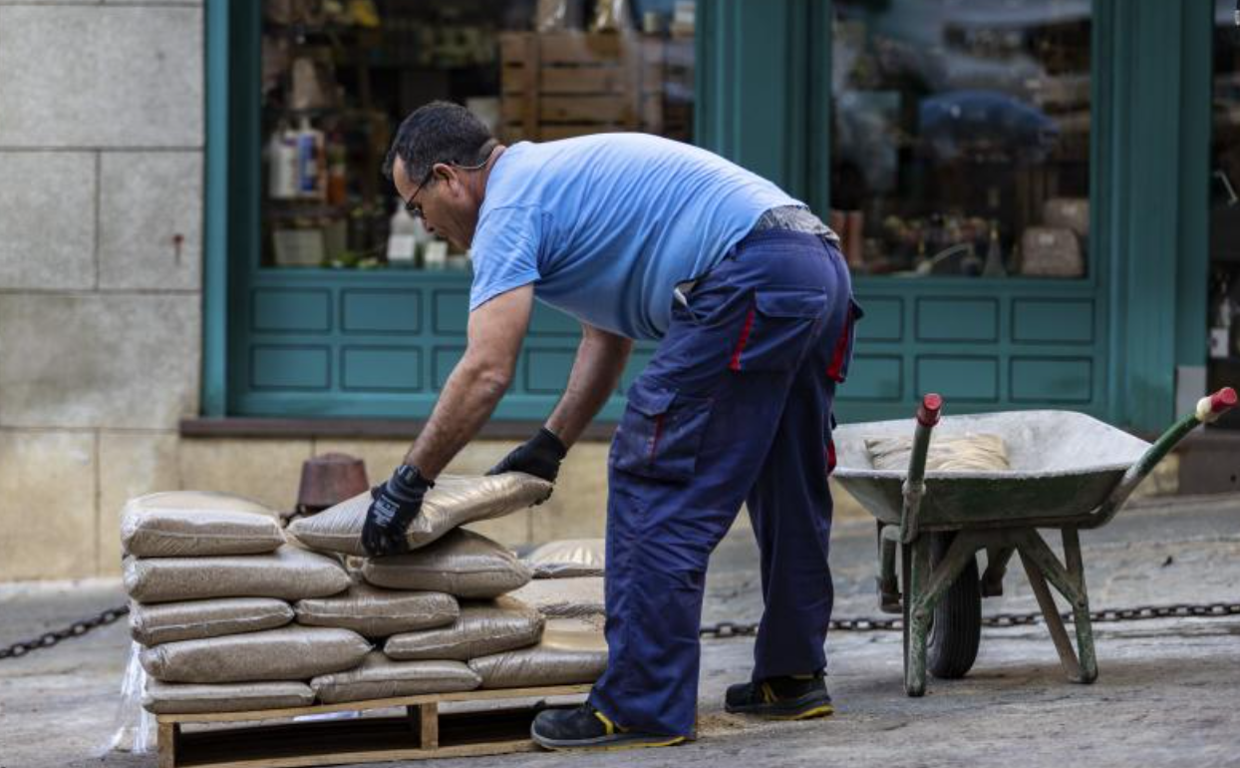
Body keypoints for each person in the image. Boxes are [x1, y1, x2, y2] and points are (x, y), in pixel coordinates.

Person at [363, 101, 861, 751]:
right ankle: (792, 678)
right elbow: (609, 335)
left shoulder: (508, 212)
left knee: (651, 474)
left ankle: (641, 704)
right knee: (786, 478)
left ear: (448, 176)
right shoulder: (556, 182)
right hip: (813, 264)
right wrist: (550, 444)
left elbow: (487, 369)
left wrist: (409, 481)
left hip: (747, 276)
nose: (424, 224)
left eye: (415, 204)